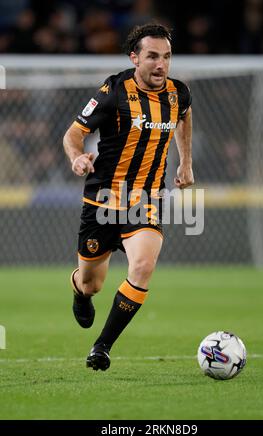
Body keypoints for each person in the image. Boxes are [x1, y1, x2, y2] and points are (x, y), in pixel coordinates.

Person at [63, 23, 194, 372]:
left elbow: (184, 115)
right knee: (93, 282)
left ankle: (102, 348)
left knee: (143, 266)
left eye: (166, 57)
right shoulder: (114, 91)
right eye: (152, 56)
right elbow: (74, 133)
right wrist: (77, 157)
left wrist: (186, 162)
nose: (160, 65)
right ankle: (79, 290)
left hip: (145, 200)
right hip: (102, 201)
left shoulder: (178, 93)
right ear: (135, 57)